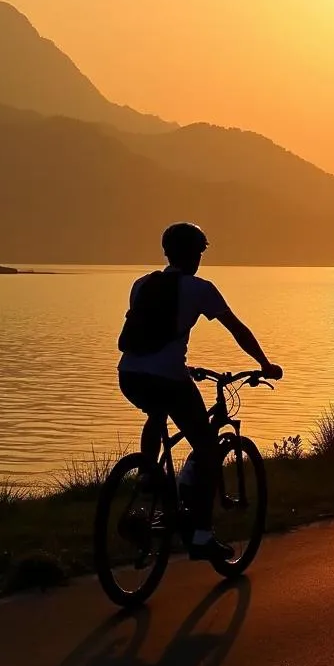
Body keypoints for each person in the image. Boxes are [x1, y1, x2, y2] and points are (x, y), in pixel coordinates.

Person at [117, 221, 282, 561]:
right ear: (194, 254)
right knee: (207, 451)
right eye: (200, 252)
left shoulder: (141, 284)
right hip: (167, 377)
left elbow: (148, 335)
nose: (200, 259)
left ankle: (150, 477)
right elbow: (237, 329)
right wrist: (265, 364)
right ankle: (202, 536)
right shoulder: (200, 289)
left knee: (156, 412)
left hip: (130, 375)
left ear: (167, 252)